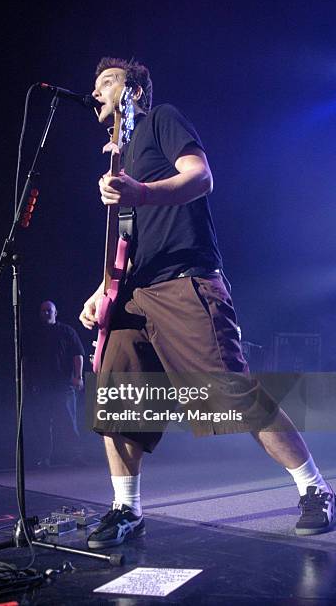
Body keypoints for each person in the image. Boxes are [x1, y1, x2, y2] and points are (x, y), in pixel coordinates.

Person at [79, 57, 335, 548]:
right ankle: (127, 510)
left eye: (106, 83)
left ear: (132, 91)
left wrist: (142, 190)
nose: (96, 93)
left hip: (184, 278)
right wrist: (103, 289)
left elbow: (200, 177)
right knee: (118, 399)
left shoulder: (161, 120)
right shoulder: (119, 156)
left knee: (227, 395)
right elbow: (128, 239)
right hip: (134, 291)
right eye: (94, 86)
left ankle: (315, 489)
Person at [24, 300, 85, 467]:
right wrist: (28, 381)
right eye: (43, 311)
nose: (46, 313)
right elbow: (26, 360)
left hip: (64, 386)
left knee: (68, 422)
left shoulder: (66, 331)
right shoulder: (34, 334)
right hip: (42, 386)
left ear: (55, 313)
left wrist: (78, 377)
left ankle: (75, 456)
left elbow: (78, 355)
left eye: (48, 311)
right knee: (42, 424)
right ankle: (44, 458)